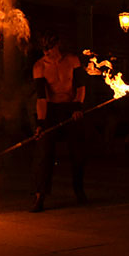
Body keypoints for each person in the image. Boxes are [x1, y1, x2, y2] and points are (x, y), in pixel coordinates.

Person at [31, 30, 86, 212]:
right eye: (44, 49)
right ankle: (40, 196)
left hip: (71, 106)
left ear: (57, 45)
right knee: (44, 154)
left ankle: (79, 190)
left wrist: (78, 106)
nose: (46, 52)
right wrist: (40, 123)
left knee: (77, 152)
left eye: (49, 48)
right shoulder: (39, 67)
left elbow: (80, 87)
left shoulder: (72, 60)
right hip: (51, 110)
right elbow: (41, 98)